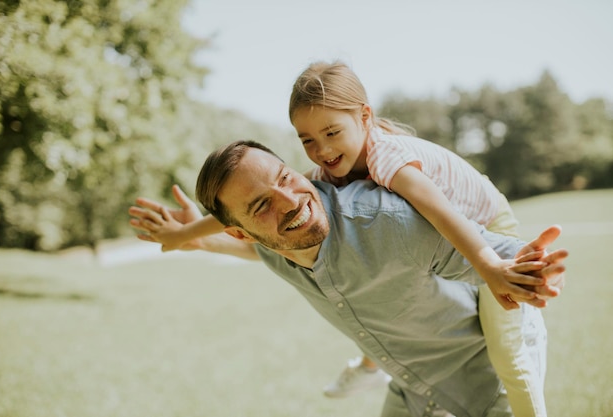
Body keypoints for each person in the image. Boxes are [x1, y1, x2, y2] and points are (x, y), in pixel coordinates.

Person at [138, 61, 550, 416]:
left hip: (487, 223)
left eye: (332, 132)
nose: (321, 150)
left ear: (365, 116)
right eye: (308, 141)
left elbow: (440, 212)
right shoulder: (317, 183)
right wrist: (190, 235)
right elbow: (258, 228)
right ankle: (373, 363)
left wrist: (491, 264)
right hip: (420, 367)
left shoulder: (389, 163)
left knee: (509, 357)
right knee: (364, 276)